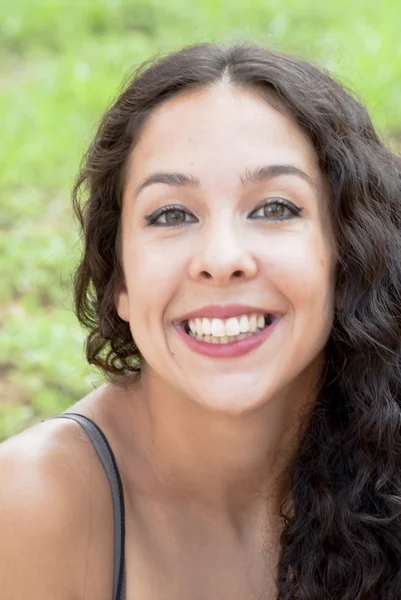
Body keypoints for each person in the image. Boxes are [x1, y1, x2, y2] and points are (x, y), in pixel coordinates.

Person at [1, 42, 400, 600]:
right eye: (172, 214)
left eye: (275, 208)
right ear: (119, 280)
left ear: (348, 253)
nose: (221, 257)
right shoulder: (30, 506)